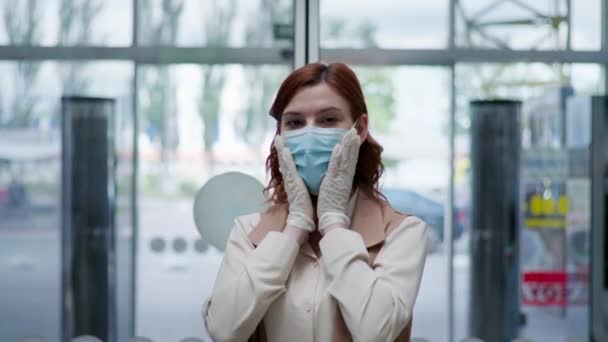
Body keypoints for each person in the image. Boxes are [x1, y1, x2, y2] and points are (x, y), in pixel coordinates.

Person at [203, 62, 429, 342]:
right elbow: (223, 330)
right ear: (280, 136)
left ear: (360, 128)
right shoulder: (248, 232)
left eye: (328, 120)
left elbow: (377, 332)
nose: (310, 134)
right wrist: (295, 227)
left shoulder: (402, 233)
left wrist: (334, 222)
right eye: (295, 123)